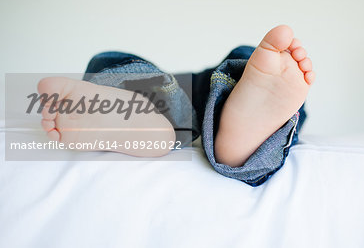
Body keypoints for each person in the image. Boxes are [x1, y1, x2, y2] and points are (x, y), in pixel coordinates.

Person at [37, 25, 315, 186]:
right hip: (224, 93)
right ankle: (243, 133)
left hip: (158, 97)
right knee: (246, 57)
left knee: (111, 60)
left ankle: (144, 113)